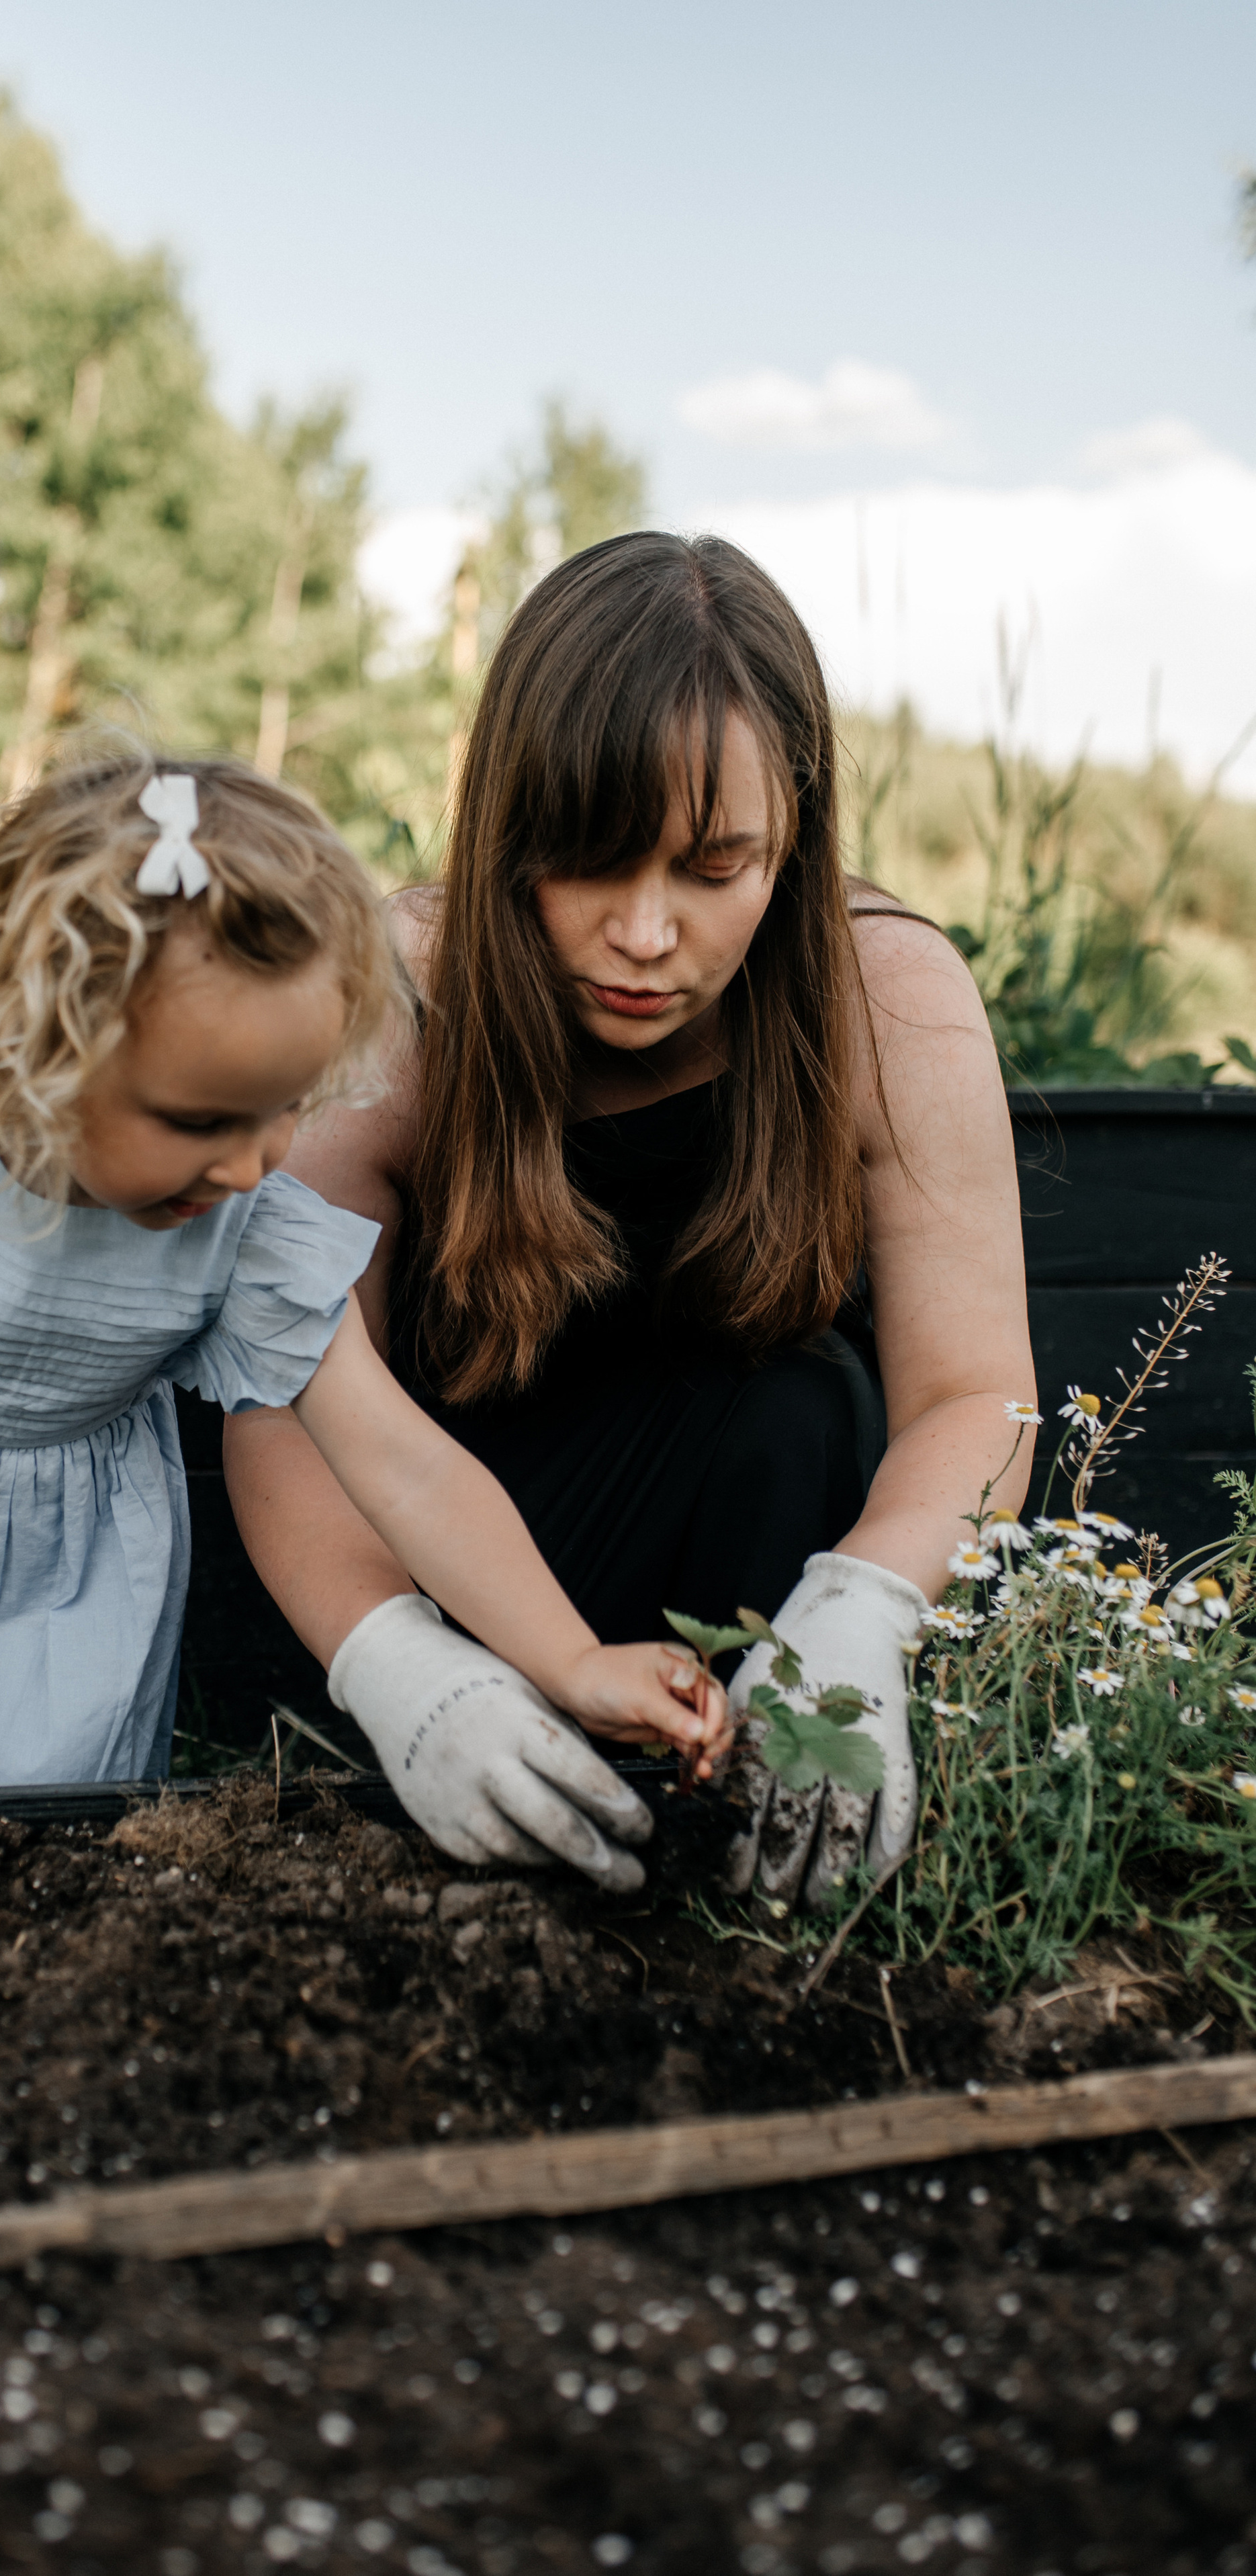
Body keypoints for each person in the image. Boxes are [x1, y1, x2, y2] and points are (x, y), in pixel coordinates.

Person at [0, 753, 725, 1848]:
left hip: (55, 1586)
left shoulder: (243, 1230)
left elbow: (402, 1463)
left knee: (9, 1839)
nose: (249, 1164)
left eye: (282, 1110)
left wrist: (569, 1659)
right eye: (199, 1122)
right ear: (41, 1056)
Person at [224, 533, 1037, 1911]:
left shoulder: (882, 993)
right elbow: (289, 1400)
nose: (647, 935)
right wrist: (399, 1666)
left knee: (800, 1400)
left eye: (715, 868)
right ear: (506, 829)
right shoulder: (404, 994)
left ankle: (739, 1837)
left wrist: (863, 1612)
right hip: (429, 1552)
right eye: (593, 865)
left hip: (742, 1581)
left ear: (795, 835)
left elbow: (972, 1395)